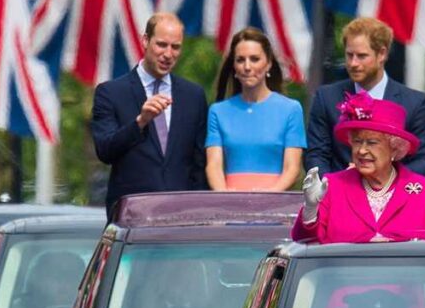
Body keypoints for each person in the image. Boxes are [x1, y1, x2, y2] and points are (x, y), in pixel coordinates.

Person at [91, 12, 207, 220]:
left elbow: (199, 163)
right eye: (161, 45)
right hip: (132, 217)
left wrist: (199, 211)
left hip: (182, 218)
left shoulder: (193, 96)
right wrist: (140, 122)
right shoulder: (111, 92)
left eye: (175, 47)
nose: (168, 54)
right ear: (145, 41)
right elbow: (105, 150)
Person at [292, 92, 425, 244]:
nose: (362, 151)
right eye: (357, 141)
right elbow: (305, 243)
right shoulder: (332, 186)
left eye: (371, 142)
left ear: (395, 148)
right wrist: (310, 210)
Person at [305, 17, 425, 179]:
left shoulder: (415, 103)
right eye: (349, 55)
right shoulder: (326, 98)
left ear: (382, 54)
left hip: (396, 199)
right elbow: (315, 155)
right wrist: (337, 185)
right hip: (339, 198)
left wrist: (387, 180)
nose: (353, 63)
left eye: (361, 56)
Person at [205, 28, 305, 191]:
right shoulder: (218, 111)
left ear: (268, 63)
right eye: (240, 60)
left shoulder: (291, 109)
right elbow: (214, 166)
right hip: (231, 206)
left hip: (274, 207)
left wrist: (268, 197)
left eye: (255, 59)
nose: (247, 66)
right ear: (234, 66)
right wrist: (224, 197)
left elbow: (292, 169)